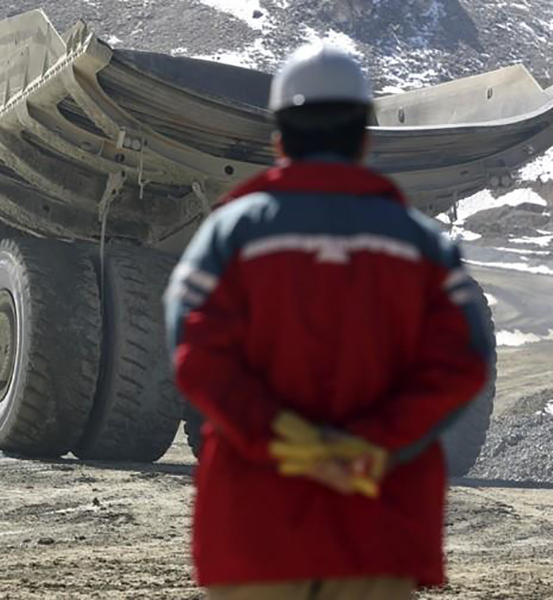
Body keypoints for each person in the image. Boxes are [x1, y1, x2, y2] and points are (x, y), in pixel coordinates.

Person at [165, 44, 493, 600]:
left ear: (278, 139)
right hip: (377, 527)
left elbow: (194, 349)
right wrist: (373, 443)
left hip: (256, 531)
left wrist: (280, 437)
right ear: (366, 138)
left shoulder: (230, 233)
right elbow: (465, 358)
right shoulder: (422, 243)